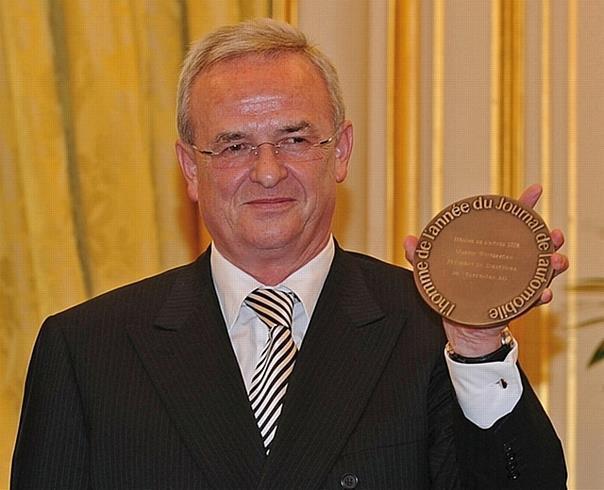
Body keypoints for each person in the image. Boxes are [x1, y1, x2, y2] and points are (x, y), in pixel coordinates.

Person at [12, 18, 568, 489]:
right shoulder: (89, 350)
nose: (268, 170)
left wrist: (475, 348)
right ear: (190, 169)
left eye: (296, 140)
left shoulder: (428, 331)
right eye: (235, 146)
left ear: (342, 152)